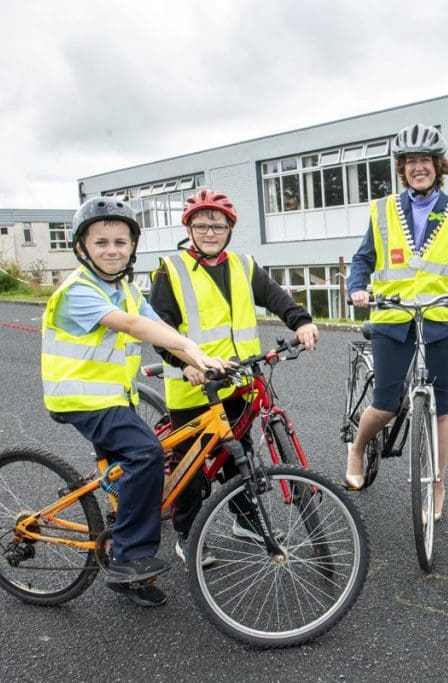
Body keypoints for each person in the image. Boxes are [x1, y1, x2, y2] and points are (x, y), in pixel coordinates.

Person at [42, 197, 226, 607]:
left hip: (112, 398)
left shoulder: (123, 288)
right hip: (81, 400)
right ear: (81, 248)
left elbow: (157, 326)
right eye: (102, 242)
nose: (112, 249)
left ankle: (128, 575)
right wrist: (190, 352)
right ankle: (130, 557)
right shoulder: (79, 292)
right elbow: (132, 325)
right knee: (147, 454)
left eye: (121, 242)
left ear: (132, 247)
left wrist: (201, 358)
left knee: (131, 468)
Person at [149, 189, 318, 565]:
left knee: (237, 456)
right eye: (202, 225)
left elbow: (276, 297)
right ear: (189, 228)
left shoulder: (243, 265)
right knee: (190, 468)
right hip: (193, 388)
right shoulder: (170, 269)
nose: (210, 232)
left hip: (237, 384)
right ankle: (187, 534)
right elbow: (157, 326)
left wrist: (301, 321)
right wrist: (184, 364)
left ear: (230, 229)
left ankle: (245, 520)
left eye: (218, 225)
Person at [345, 123, 448, 520]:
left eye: (424, 160)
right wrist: (357, 287)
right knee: (386, 404)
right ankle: (358, 448)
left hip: (439, 319)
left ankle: (437, 482)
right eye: (409, 162)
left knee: (441, 406)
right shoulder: (382, 210)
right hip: (392, 317)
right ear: (402, 168)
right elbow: (362, 259)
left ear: (438, 165)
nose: (417, 167)